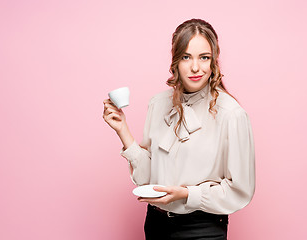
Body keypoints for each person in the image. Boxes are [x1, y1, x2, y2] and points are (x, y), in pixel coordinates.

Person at [103, 18, 255, 240]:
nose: (195, 67)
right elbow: (148, 180)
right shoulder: (158, 104)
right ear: (175, 61)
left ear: (213, 61)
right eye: (186, 57)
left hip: (201, 228)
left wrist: (187, 194)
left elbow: (240, 190)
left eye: (204, 57)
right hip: (156, 225)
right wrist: (122, 130)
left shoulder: (231, 114)